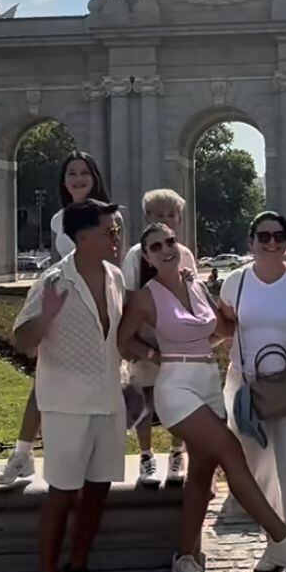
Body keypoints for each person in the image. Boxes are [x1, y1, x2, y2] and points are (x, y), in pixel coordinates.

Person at [117, 222, 286, 572]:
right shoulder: (146, 297)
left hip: (208, 382)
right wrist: (155, 355)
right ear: (146, 256)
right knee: (231, 450)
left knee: (201, 477)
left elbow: (226, 326)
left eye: (170, 241)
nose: (165, 248)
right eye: (155, 246)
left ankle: (185, 560)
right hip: (175, 386)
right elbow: (123, 339)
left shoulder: (196, 284)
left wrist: (224, 334)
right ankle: (282, 539)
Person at [13, 200, 127, 572]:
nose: (116, 239)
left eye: (115, 231)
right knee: (62, 494)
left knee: (98, 490)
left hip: (107, 402)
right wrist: (48, 316)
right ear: (83, 238)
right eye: (109, 232)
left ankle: (77, 571)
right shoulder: (53, 280)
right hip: (65, 405)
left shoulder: (116, 277)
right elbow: (23, 340)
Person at [0, 150, 113, 487]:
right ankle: (22, 454)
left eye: (84, 172)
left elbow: (114, 261)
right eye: (71, 173)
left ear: (95, 177)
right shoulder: (59, 218)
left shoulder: (110, 215)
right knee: (43, 379)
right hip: (64, 301)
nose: (77, 179)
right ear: (63, 180)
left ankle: (145, 452)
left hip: (98, 301)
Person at [218, 212, 286, 572]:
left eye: (280, 235)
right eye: (263, 236)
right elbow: (224, 324)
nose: (271, 242)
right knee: (259, 472)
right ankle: (275, 545)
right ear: (251, 241)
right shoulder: (234, 282)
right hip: (247, 388)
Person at [121, 189, 198, 488]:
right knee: (145, 398)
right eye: (157, 214)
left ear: (179, 219)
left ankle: (178, 453)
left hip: (176, 342)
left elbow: (194, 300)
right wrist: (138, 345)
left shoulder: (186, 254)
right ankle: (146, 455)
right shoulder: (133, 256)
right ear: (147, 219)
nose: (164, 219)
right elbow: (127, 299)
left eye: (170, 214)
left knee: (178, 398)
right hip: (144, 342)